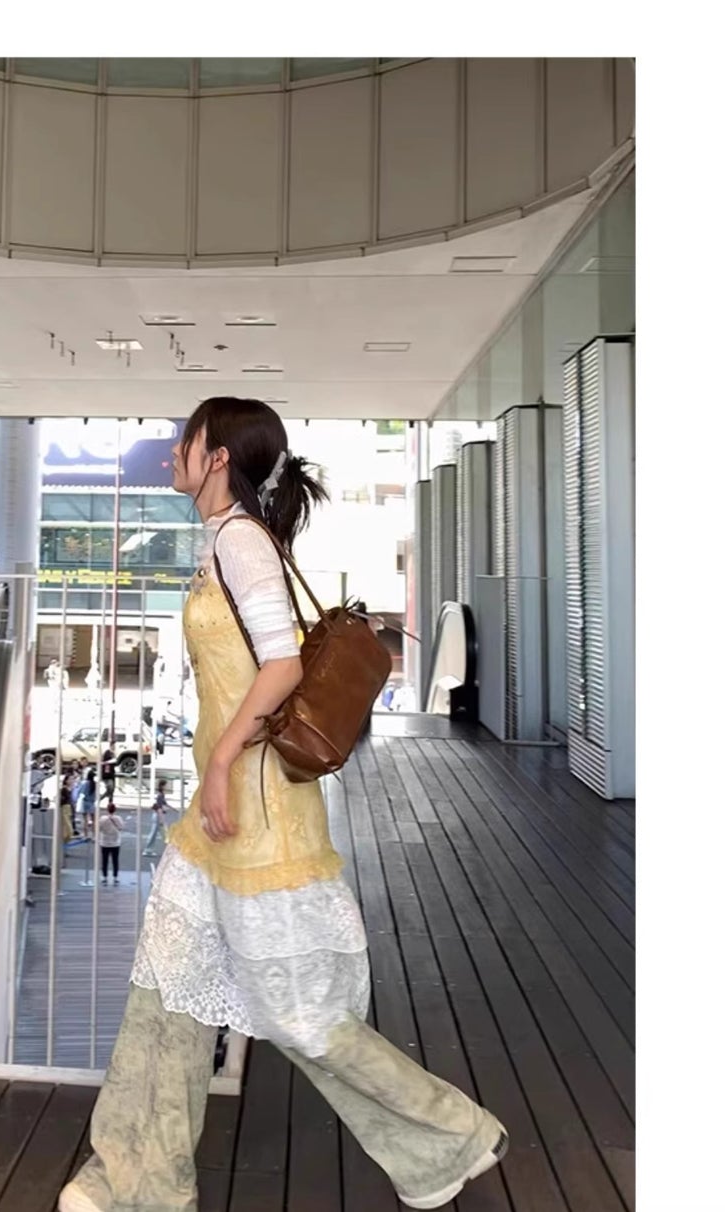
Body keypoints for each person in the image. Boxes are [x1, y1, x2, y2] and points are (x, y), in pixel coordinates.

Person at [61, 398, 505, 1212]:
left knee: (302, 1016)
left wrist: (220, 762)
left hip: (259, 814)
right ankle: (136, 1182)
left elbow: (282, 666)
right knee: (167, 990)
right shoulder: (224, 538)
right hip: (219, 818)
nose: (173, 452)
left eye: (187, 440)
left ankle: (450, 1137)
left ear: (218, 458)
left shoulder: (242, 541)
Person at [96, 803, 122, 883]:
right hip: (115, 842)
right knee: (115, 860)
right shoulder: (118, 818)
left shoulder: (103, 819)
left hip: (104, 842)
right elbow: (121, 827)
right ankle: (115, 877)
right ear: (115, 810)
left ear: (107, 810)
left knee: (104, 860)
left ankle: (105, 876)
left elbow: (99, 828)